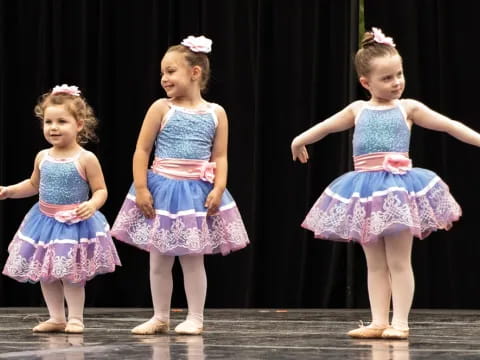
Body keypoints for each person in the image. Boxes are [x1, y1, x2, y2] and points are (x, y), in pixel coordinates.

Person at [291, 27, 480, 340]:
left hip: (398, 191)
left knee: (399, 261)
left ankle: (401, 323)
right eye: (388, 78)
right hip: (365, 194)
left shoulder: (408, 108)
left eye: (399, 74)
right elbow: (324, 127)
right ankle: (379, 320)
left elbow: (450, 126)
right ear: (366, 82)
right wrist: (299, 140)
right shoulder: (358, 110)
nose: (397, 82)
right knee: (375, 264)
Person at [111, 35, 250, 335]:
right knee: (159, 260)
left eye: (170, 71)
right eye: (162, 72)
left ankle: (195, 317)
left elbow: (221, 155)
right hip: (162, 189)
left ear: (195, 72)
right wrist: (141, 188)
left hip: (195, 192)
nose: (164, 78)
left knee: (192, 258)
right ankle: (160, 316)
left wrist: (218, 186)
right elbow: (142, 150)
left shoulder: (216, 113)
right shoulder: (161, 108)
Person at [1, 84, 121, 333]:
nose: (53, 127)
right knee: (47, 274)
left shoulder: (86, 158)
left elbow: (101, 190)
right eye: (48, 122)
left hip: (74, 224)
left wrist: (92, 204)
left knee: (71, 274)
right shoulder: (42, 156)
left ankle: (75, 317)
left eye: (62, 121)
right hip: (44, 222)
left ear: (79, 124)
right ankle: (56, 317)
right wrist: (10, 190)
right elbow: (34, 184)